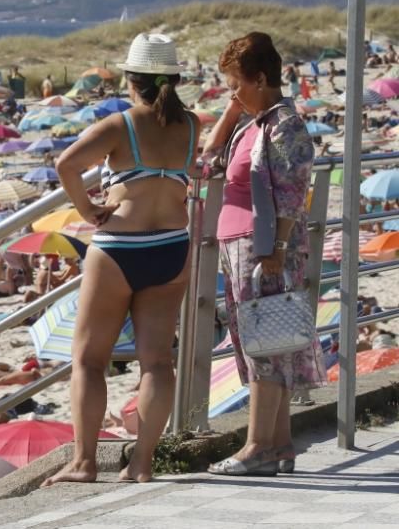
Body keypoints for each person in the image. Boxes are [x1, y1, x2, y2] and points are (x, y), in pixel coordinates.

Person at [45, 33, 200, 485]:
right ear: (172, 78)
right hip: (171, 245)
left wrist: (88, 209)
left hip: (119, 249)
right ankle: (142, 464)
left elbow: (66, 166)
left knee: (90, 361)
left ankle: (84, 462)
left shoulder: (122, 124)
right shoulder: (190, 125)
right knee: (157, 362)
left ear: (132, 80)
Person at [203, 32, 325, 476]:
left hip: (263, 249)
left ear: (258, 78)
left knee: (265, 347)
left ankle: (258, 446)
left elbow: (294, 193)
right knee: (261, 343)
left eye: (236, 83)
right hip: (243, 248)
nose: (231, 91)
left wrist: (274, 249)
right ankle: (279, 444)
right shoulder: (253, 123)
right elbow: (208, 160)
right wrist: (232, 109)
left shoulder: (283, 125)